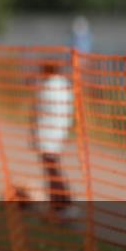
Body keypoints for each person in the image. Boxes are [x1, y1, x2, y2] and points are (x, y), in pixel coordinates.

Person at [36, 61, 75, 215]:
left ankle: (61, 204)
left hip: (48, 135)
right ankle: (60, 203)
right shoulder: (64, 85)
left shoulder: (48, 88)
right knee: (53, 170)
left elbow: (40, 111)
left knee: (52, 171)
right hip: (58, 133)